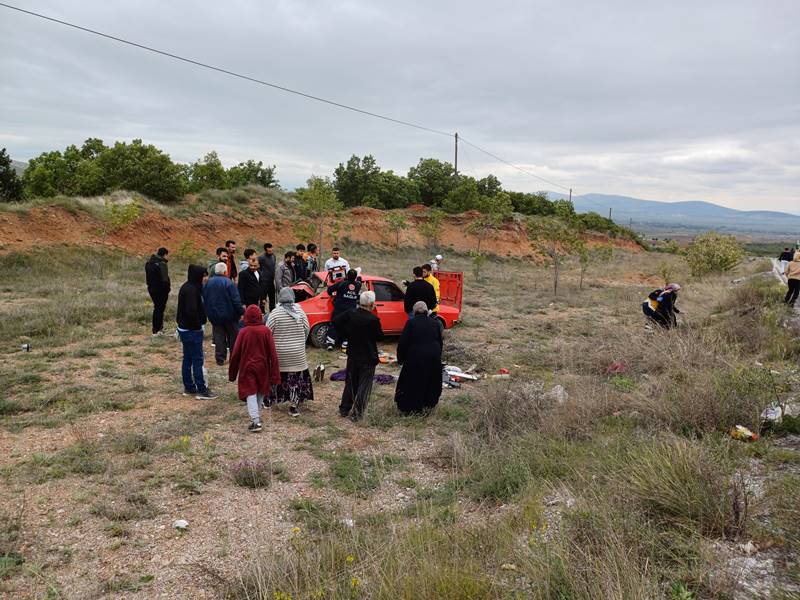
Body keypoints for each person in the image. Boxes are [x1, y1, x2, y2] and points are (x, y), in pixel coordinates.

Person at [228, 305, 281, 433]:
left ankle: (256, 420)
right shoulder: (266, 331)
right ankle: (256, 418)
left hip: (247, 367)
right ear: (260, 316)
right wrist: (275, 374)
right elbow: (273, 354)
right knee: (260, 391)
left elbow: (235, 354)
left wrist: (232, 373)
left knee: (250, 392)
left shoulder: (243, 332)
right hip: (263, 367)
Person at [334, 291, 384, 422]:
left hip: (353, 353)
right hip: (368, 355)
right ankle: (357, 414)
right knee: (364, 385)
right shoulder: (373, 320)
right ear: (372, 304)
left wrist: (346, 333)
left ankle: (344, 409)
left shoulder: (351, 314)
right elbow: (379, 336)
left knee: (350, 382)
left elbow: (336, 321)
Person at [266, 288, 314, 417]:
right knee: (295, 380)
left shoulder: (275, 314)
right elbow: (307, 329)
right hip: (298, 354)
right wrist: (300, 341)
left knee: (276, 378)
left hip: (280, 353)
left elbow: (267, 333)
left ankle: (270, 400)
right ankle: (294, 407)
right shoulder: (300, 311)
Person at [394, 301, 444, 414]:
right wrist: (438, 357)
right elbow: (440, 342)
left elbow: (403, 343)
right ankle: (428, 405)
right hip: (433, 357)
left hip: (416, 357)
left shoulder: (411, 323)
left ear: (415, 311)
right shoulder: (435, 323)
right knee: (430, 381)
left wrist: (401, 359)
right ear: (427, 311)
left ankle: (410, 408)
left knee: (411, 382)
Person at [176, 265, 217, 399]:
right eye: (204, 275)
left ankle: (189, 387)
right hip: (191, 330)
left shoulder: (187, 287)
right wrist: (198, 326)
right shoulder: (192, 290)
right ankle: (201, 389)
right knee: (197, 360)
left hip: (184, 329)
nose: (206, 278)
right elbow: (191, 311)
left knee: (187, 358)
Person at [203, 262, 243, 365]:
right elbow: (236, 300)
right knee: (233, 337)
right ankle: (234, 358)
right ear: (225, 272)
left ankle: (220, 359)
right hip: (230, 315)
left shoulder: (208, 283)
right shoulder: (229, 283)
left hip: (214, 315)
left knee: (219, 337)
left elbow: (205, 299)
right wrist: (241, 312)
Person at [326, 269, 362, 350]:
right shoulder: (358, 285)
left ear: (347, 276)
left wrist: (333, 295)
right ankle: (345, 344)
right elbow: (360, 280)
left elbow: (329, 290)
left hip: (339, 309)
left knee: (334, 325)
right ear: (355, 277)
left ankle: (330, 344)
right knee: (348, 326)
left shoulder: (341, 283)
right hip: (351, 311)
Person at [145, 247, 170, 336]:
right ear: (165, 254)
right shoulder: (162, 264)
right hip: (161, 291)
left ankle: (157, 328)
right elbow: (165, 280)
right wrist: (167, 290)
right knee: (159, 309)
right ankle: (157, 329)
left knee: (157, 308)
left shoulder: (148, 263)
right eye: (168, 255)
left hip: (151, 289)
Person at [258, 243, 277, 311]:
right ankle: (262, 314)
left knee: (272, 299)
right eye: (269, 251)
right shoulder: (261, 258)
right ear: (265, 250)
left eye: (272, 250)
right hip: (263, 283)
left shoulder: (273, 256)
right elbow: (257, 268)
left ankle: (273, 313)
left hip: (271, 281)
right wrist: (262, 275)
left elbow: (274, 266)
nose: (271, 252)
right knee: (263, 300)